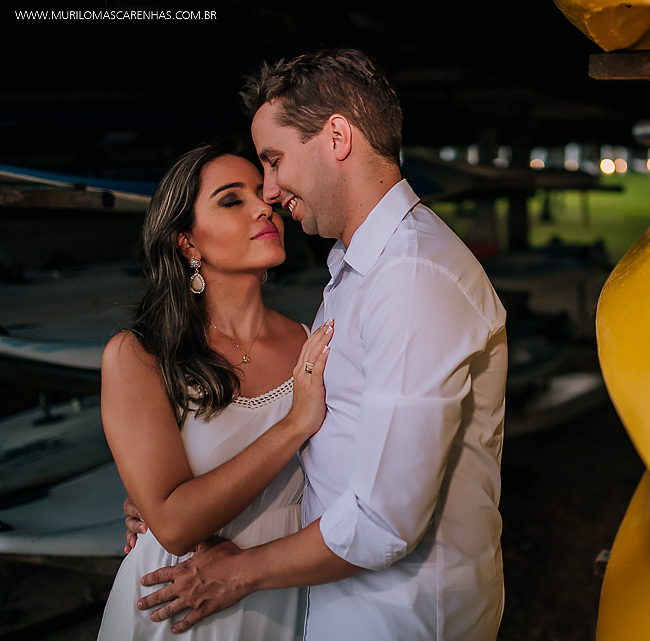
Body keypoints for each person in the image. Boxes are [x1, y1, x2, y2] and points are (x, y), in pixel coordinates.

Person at [133, 48, 508, 640]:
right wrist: (167, 504)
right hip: (336, 607)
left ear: (337, 137)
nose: (272, 192)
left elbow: (384, 520)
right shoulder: (356, 270)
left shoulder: (410, 278)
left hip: (397, 619)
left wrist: (239, 571)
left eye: (274, 162)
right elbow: (330, 440)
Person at [97, 138, 335, 640]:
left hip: (282, 589)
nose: (262, 207)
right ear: (187, 242)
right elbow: (176, 526)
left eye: (262, 194)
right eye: (232, 200)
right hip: (178, 606)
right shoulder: (137, 355)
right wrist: (295, 425)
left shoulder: (308, 339)